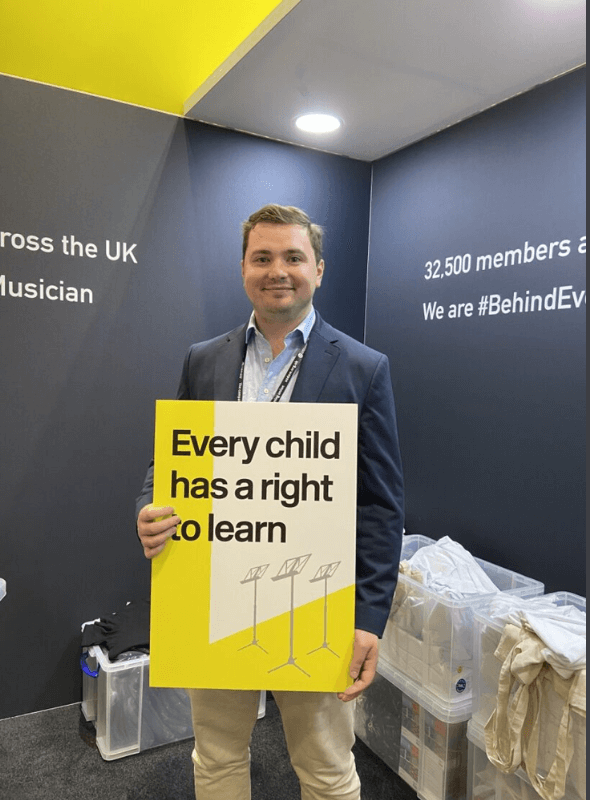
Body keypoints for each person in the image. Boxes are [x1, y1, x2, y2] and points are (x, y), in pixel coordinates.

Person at [135, 203, 405, 800]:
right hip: (213, 594)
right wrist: (151, 507)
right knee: (217, 758)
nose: (277, 270)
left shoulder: (363, 368)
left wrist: (368, 618)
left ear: (319, 269)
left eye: (293, 257)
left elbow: (382, 506)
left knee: (328, 770)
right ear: (243, 269)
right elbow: (170, 461)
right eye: (262, 257)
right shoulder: (204, 358)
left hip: (314, 600)